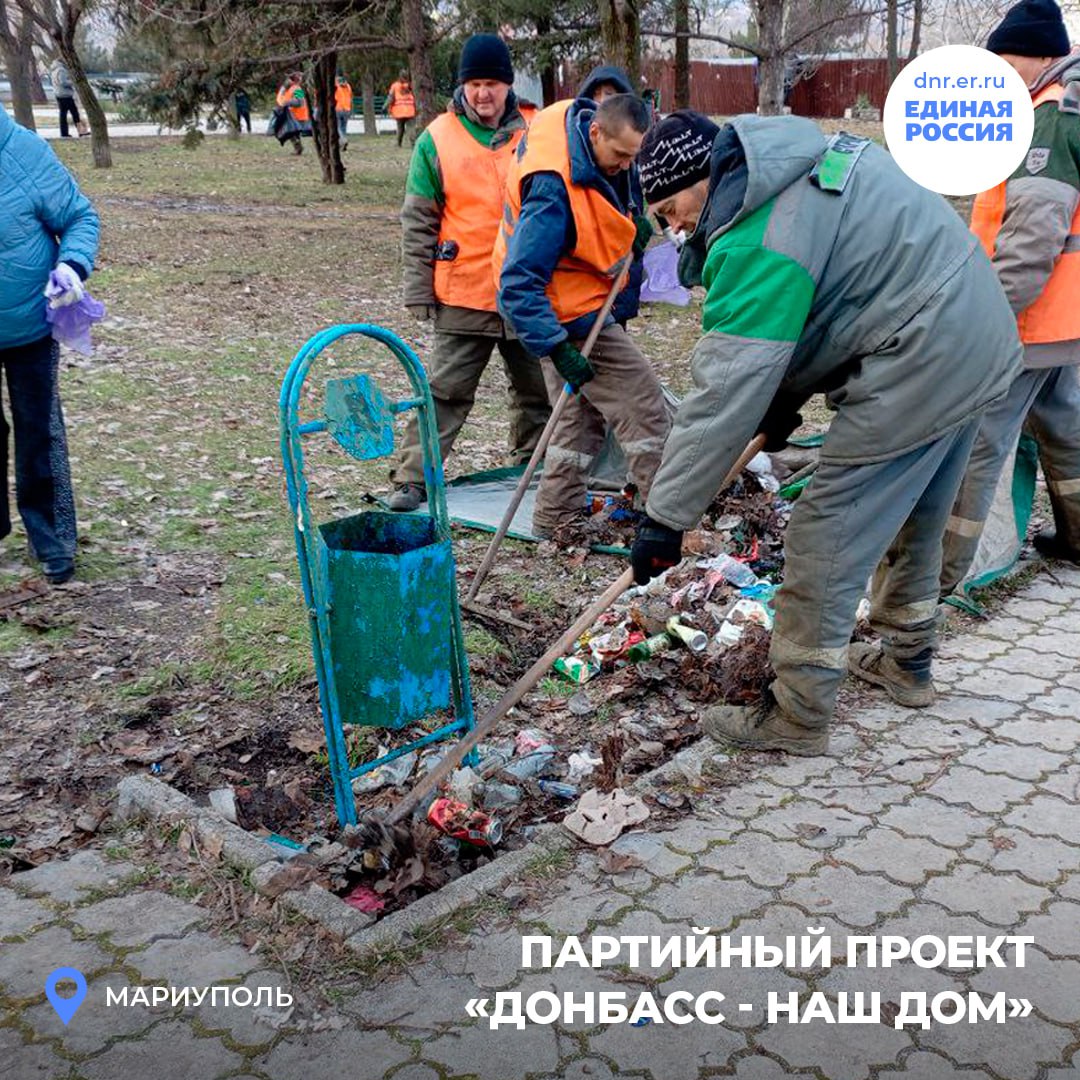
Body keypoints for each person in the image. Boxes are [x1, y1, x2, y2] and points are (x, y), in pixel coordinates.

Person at [629, 110, 1020, 755]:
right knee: (914, 516)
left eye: (673, 208)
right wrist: (781, 402)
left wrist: (665, 516)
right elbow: (831, 299)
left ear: (707, 177)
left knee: (825, 529)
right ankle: (907, 665)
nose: (673, 228)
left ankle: (799, 712)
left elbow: (722, 391)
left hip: (920, 353)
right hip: (973, 333)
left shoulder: (759, 236)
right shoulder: (797, 169)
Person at [939, 0, 1080, 589]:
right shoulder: (1063, 107)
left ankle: (938, 574)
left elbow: (1031, 241)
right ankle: (1076, 540)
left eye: (1007, 59)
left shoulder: (1047, 118)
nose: (998, 71)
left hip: (1028, 322)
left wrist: (986, 319)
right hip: (1066, 321)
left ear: (1044, 55)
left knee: (978, 445)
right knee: (1069, 434)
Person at [495, 93, 671, 538]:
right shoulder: (551, 192)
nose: (626, 166)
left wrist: (629, 226)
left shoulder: (590, 137)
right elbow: (518, 284)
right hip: (561, 313)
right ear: (596, 131)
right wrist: (556, 348)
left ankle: (556, 515)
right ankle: (669, 518)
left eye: (634, 157)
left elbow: (599, 208)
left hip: (578, 298)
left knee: (576, 416)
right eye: (620, 155)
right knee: (644, 403)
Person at [388, 34, 551, 512]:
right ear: (463, 86)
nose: (484, 94)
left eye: (493, 84)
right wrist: (418, 287)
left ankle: (533, 472)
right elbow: (418, 219)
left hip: (527, 290)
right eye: (475, 83)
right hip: (463, 290)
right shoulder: (436, 139)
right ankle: (413, 478)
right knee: (444, 393)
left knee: (536, 393)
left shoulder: (538, 131)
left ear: (508, 86)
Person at [0, 103, 99, 585]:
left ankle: (49, 533)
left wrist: (72, 266)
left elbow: (80, 217)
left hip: (30, 324)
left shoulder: (21, 150)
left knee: (38, 428)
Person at [577, 64, 653, 328]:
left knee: (615, 337)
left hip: (619, 277)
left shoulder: (629, 156)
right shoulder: (579, 159)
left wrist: (637, 228)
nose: (602, 102)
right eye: (597, 95)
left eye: (610, 94)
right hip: (584, 287)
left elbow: (633, 203)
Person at [275, 73, 311, 155]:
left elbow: (299, 102)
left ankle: (298, 148)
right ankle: (298, 148)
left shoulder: (297, 89)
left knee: (291, 132)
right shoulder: (292, 89)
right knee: (293, 132)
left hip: (297, 114)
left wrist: (287, 102)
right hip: (294, 114)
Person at [50, 61, 81, 139]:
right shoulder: (61, 70)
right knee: (75, 113)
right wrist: (73, 82)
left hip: (59, 94)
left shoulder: (54, 70)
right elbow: (63, 82)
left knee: (63, 114)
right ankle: (81, 131)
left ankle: (64, 133)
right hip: (65, 95)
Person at [386, 71, 417, 148]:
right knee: (411, 128)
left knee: (400, 128)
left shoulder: (395, 86)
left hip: (399, 111)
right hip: (410, 110)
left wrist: (385, 106)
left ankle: (398, 143)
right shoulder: (411, 86)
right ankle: (413, 143)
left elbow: (390, 98)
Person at [335, 73, 353, 149]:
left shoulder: (336, 86)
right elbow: (351, 98)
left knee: (337, 127)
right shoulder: (348, 86)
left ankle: (343, 140)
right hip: (347, 109)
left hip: (338, 108)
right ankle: (341, 144)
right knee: (343, 127)